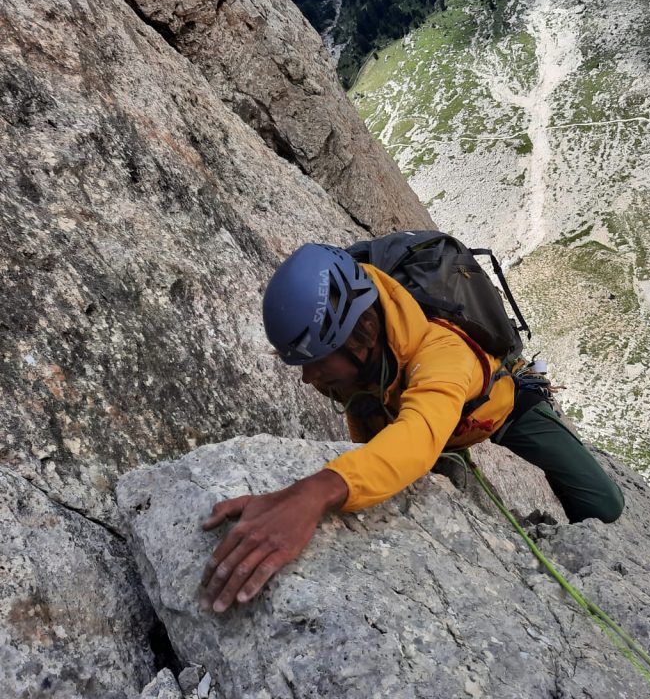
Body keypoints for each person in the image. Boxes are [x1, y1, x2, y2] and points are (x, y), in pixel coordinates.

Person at [199, 243, 624, 613]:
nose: (308, 378)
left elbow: (418, 435)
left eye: (315, 361)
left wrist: (314, 493)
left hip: (499, 409)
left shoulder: (444, 353)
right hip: (422, 418)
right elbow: (393, 444)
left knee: (603, 504)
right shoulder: (360, 361)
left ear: (361, 336)